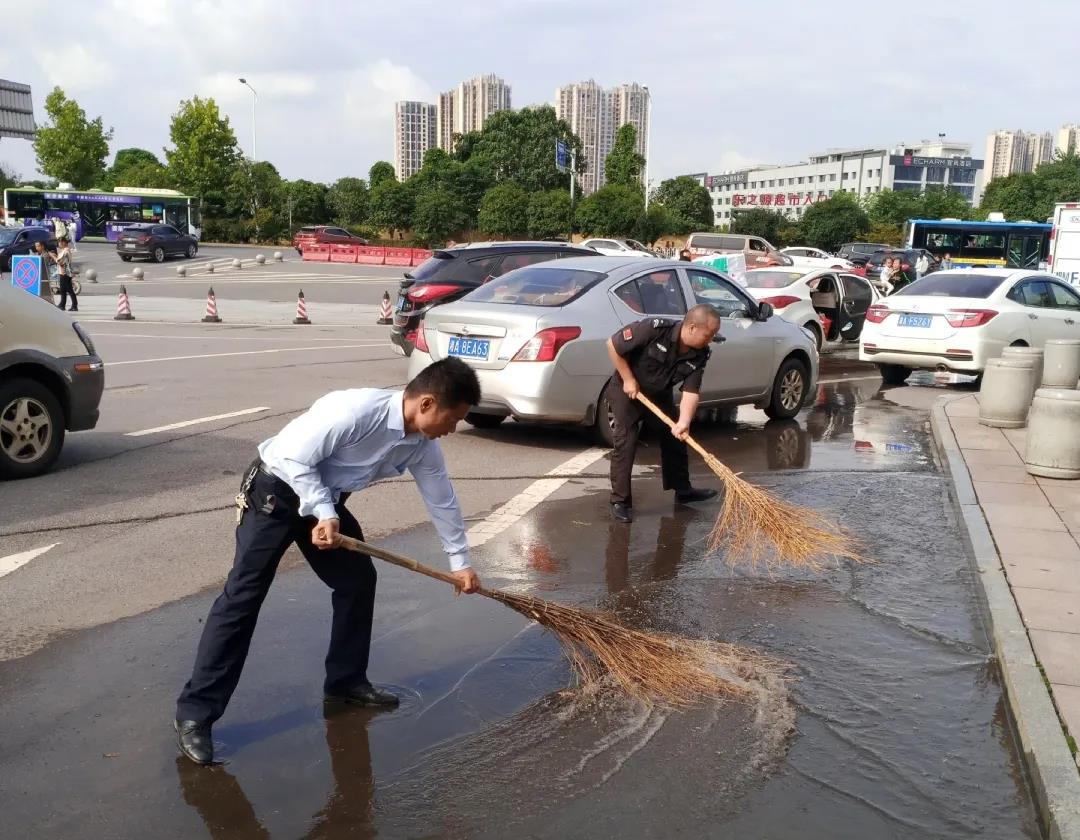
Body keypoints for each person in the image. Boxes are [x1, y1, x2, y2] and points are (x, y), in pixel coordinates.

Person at [174, 358, 483, 766]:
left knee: (357, 581)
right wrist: (323, 511)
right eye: (453, 417)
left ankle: (346, 682)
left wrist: (460, 562)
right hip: (276, 493)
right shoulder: (356, 411)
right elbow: (290, 457)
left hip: (325, 505)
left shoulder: (422, 446)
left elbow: (441, 498)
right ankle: (195, 715)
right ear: (426, 403)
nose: (453, 428)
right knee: (243, 598)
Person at [606, 304, 722, 523]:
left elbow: (691, 391)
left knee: (676, 436)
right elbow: (612, 345)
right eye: (709, 334)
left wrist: (684, 422)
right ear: (692, 328)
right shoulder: (654, 329)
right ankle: (620, 501)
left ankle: (683, 490)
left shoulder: (701, 353)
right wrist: (629, 379)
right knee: (626, 441)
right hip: (628, 390)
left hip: (659, 394)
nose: (711, 339)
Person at [54, 236, 77, 311]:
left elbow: (60, 262)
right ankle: (62, 304)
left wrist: (53, 257)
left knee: (69, 289)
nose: (59, 244)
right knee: (63, 290)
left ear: (63, 242)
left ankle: (74, 305)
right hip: (63, 272)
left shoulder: (66, 251)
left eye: (59, 242)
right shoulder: (64, 250)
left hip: (65, 273)